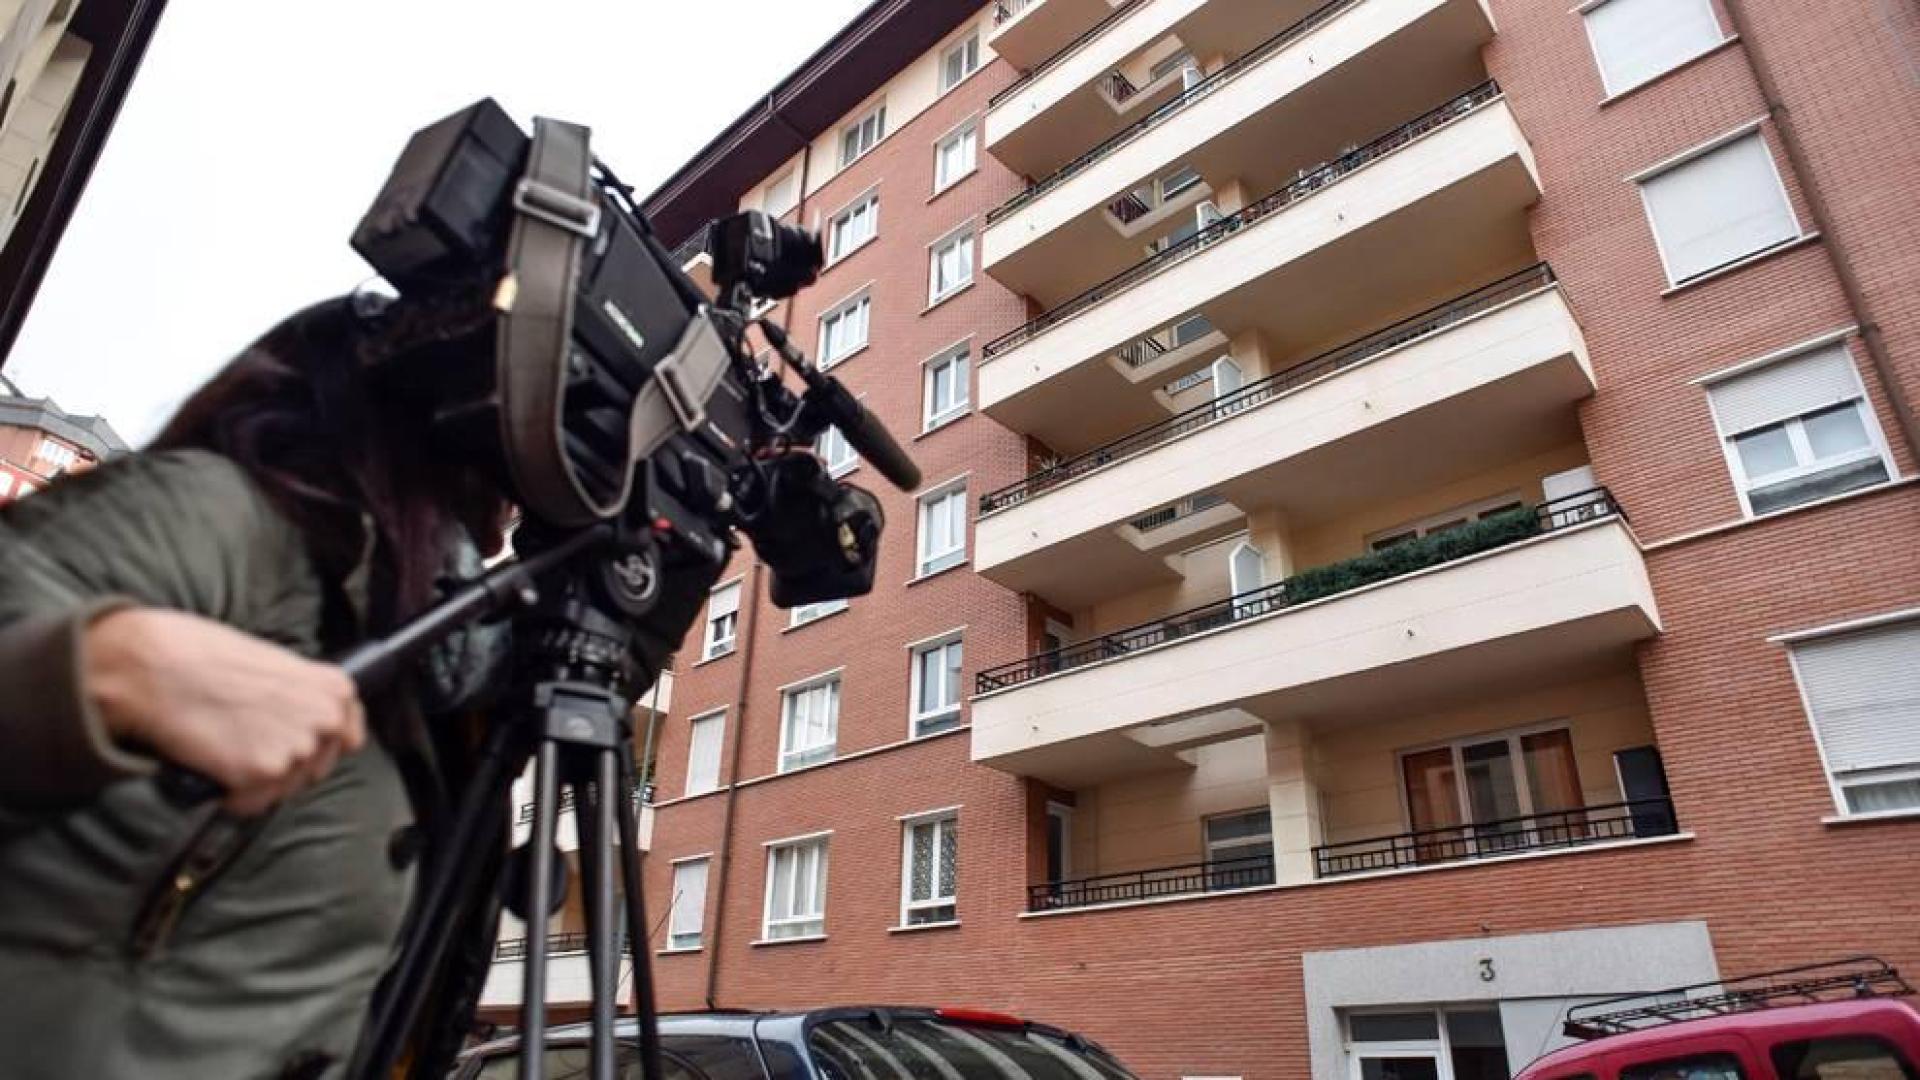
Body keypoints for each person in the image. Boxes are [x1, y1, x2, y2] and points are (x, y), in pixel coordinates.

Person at [0, 296, 506, 1078]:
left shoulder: (396, 655)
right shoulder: (216, 517)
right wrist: (109, 668)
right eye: (486, 497)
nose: (496, 535)